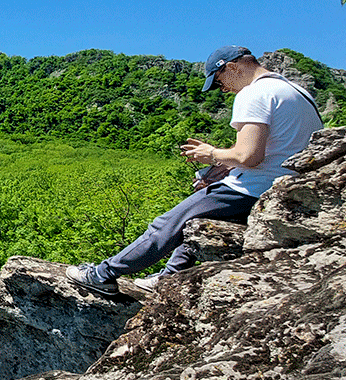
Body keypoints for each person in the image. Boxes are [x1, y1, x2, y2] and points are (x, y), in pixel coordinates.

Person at [66, 45, 324, 295]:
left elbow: (248, 156)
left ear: (232, 67)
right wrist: (225, 167)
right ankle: (169, 278)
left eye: (219, 81)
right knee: (197, 223)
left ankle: (102, 275)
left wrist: (211, 154)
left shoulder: (254, 93)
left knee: (168, 223)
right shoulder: (299, 93)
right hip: (288, 191)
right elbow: (280, 148)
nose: (223, 89)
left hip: (254, 188)